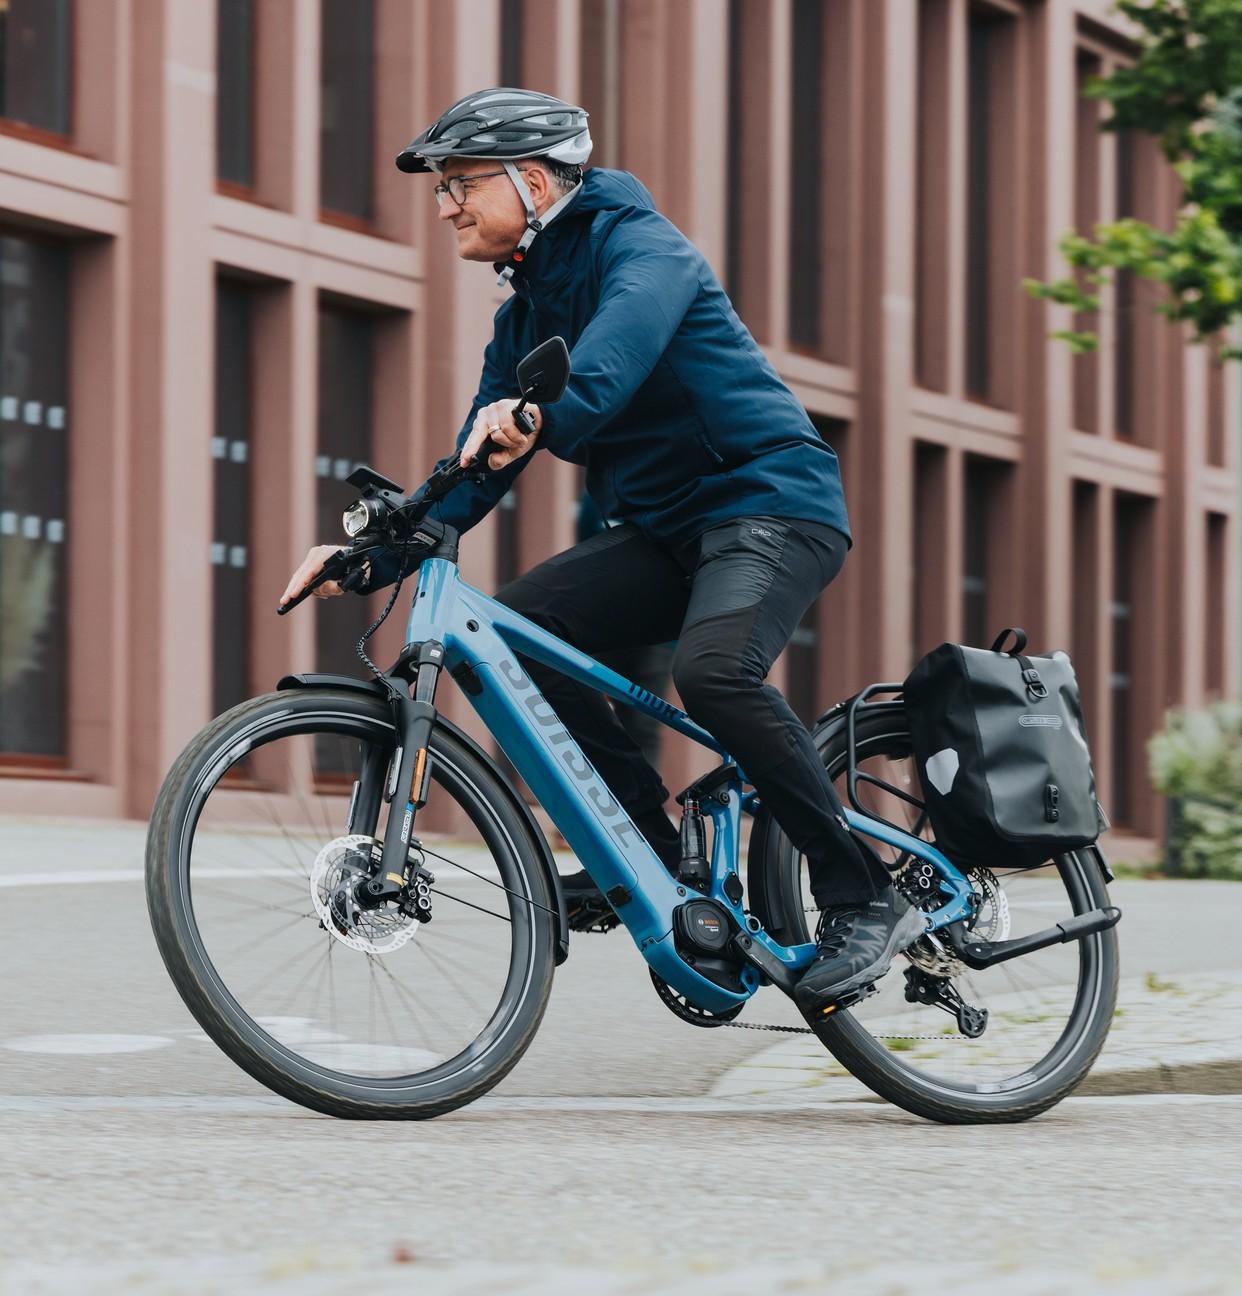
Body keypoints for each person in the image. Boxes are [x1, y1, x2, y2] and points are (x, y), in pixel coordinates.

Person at [280, 88, 918, 1012]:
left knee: (715, 675)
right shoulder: (522, 315)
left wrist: (541, 412)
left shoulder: (642, 246)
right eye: (442, 190)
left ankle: (865, 896)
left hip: (771, 505)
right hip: (668, 532)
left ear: (533, 182)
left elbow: (612, 358)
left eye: (461, 184)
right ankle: (648, 855)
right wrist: (369, 557)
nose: (446, 204)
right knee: (529, 629)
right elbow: (474, 471)